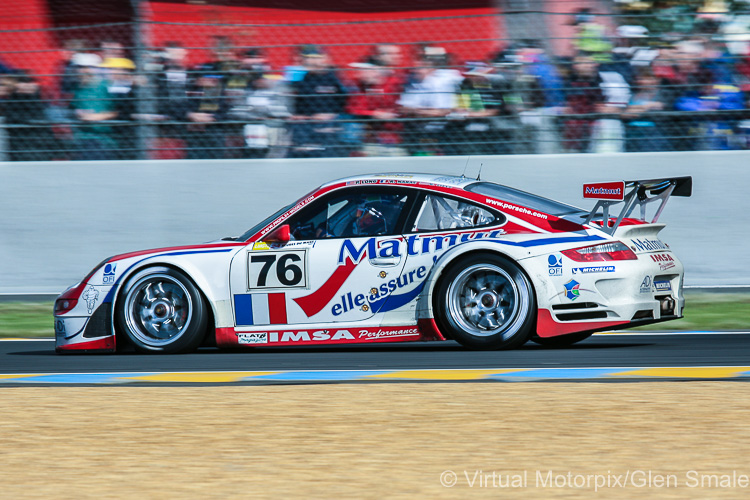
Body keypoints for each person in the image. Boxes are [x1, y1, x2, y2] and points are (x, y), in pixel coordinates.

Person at [398, 45, 462, 155]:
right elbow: (403, 108)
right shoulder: (414, 81)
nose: (416, 69)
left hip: (440, 131)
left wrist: (417, 111)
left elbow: (442, 111)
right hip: (417, 131)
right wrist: (424, 112)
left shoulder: (446, 79)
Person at [289, 45, 347, 158]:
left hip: (330, 125)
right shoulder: (301, 78)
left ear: (325, 59)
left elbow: (347, 101)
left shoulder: (336, 77)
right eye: (307, 58)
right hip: (305, 125)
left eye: (315, 58)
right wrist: (299, 116)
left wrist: (333, 114)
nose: (310, 61)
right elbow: (296, 103)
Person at [69, 54, 118, 160]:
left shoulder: (107, 86)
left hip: (103, 139)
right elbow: (73, 108)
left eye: (87, 68)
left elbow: (120, 110)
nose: (83, 71)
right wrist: (77, 114)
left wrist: (98, 116)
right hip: (81, 139)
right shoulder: (76, 89)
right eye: (80, 68)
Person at [3, 71, 57, 161]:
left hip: (39, 147)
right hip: (23, 148)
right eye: (24, 82)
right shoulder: (14, 102)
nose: (29, 86)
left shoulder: (36, 99)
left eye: (30, 82)